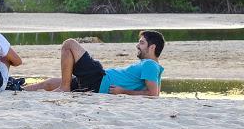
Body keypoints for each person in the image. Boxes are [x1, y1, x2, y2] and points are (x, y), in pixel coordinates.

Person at [26, 31, 165, 96]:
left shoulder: (150, 65)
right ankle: (18, 90)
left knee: (69, 44)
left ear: (152, 47)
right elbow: (155, 92)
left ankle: (64, 88)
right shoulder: (154, 67)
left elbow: (153, 95)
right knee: (48, 84)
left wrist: (123, 91)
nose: (137, 46)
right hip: (97, 82)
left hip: (99, 80)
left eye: (141, 43)